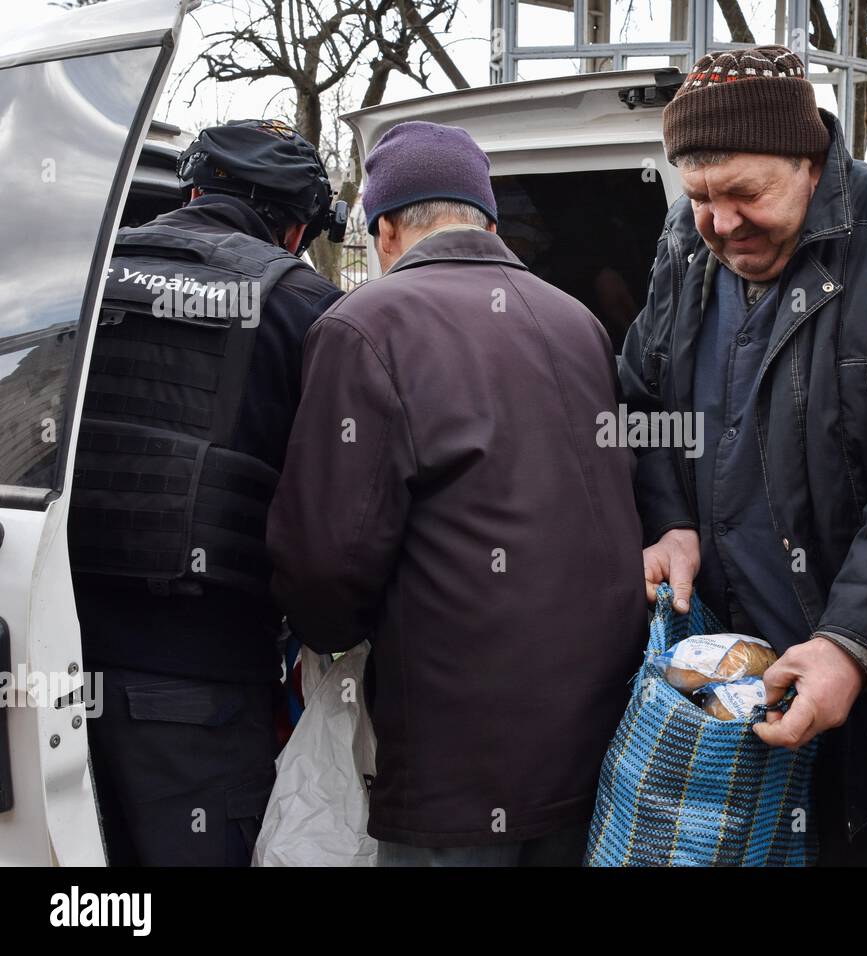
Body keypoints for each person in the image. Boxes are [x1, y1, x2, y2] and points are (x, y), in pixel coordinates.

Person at [620, 46, 867, 865]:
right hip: (720, 685)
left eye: (745, 195)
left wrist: (850, 644)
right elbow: (641, 402)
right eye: (700, 200)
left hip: (856, 695)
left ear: (811, 160)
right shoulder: (686, 247)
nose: (721, 224)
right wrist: (669, 518)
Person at [266, 122, 645, 867]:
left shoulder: (364, 326)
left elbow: (328, 561)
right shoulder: (580, 324)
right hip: (591, 742)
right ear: (490, 222)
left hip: (453, 761)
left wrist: (326, 634)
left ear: (384, 229)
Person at [69, 119, 345, 865]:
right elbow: (331, 514)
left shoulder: (78, 278)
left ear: (194, 188)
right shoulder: (305, 308)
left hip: (48, 661)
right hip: (197, 687)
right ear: (294, 229)